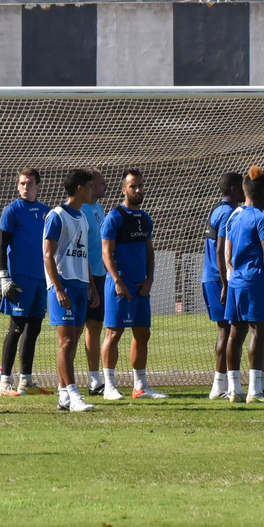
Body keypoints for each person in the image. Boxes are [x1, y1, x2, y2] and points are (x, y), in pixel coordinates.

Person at [99, 169, 167, 400]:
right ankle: (109, 386)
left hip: (141, 286)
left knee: (142, 333)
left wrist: (149, 279)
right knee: (114, 333)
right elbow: (106, 254)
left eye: (140, 185)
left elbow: (149, 252)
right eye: (133, 186)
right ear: (123, 189)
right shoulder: (114, 217)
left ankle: (140, 387)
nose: (138, 190)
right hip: (120, 284)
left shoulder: (145, 218)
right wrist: (118, 281)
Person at [220, 167, 264, 403]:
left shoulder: (234, 216)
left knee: (235, 335)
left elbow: (227, 252)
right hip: (254, 281)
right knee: (259, 333)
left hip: (235, 282)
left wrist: (229, 279)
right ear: (262, 194)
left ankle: (234, 389)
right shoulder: (262, 219)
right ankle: (255, 390)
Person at [43, 168, 98, 413]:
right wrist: (58, 288)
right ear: (80, 188)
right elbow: (48, 255)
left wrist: (92, 286)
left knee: (73, 341)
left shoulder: (83, 217)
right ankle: (74, 395)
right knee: (66, 341)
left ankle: (63, 394)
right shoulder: (56, 216)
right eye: (90, 186)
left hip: (80, 285)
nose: (93, 190)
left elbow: (84, 255)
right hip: (63, 285)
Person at [0, 168, 52, 396]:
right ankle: (4, 383)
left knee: (34, 328)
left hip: (40, 279)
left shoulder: (47, 212)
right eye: (22, 183)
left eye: (29, 183)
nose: (25, 187)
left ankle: (26, 381)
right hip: (19, 279)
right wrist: (4, 277)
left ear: (38, 185)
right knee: (16, 327)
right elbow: (1, 245)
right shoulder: (12, 210)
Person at [203, 172, 245, 399]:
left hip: (210, 277)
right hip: (219, 279)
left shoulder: (217, 209)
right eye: (241, 188)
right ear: (233, 189)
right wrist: (226, 284)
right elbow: (221, 250)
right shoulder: (228, 213)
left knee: (226, 330)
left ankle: (221, 385)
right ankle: (220, 386)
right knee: (228, 331)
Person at [81, 169, 109, 394]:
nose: (105, 186)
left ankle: (94, 380)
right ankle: (65, 383)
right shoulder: (80, 211)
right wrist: (90, 284)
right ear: (90, 186)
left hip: (100, 276)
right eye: (102, 183)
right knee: (73, 331)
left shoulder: (99, 208)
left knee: (95, 326)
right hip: (82, 277)